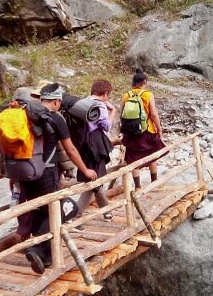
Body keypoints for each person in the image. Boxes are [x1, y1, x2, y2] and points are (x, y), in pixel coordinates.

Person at [20, 83, 98, 274]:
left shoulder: (25, 115)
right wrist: (85, 170)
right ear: (56, 101)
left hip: (25, 173)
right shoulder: (55, 118)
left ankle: (45, 258)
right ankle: (37, 248)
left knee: (40, 211)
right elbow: (70, 149)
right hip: (46, 173)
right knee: (67, 208)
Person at [76, 79, 115, 219]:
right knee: (94, 181)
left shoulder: (82, 103)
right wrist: (113, 111)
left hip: (82, 145)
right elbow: (106, 126)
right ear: (105, 94)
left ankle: (107, 212)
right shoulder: (100, 106)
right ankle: (76, 216)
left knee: (95, 178)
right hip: (96, 146)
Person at [121, 69, 164, 188]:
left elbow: (122, 115)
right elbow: (154, 114)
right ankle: (154, 182)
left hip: (131, 133)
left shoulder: (126, 95)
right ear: (144, 81)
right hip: (147, 130)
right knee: (152, 156)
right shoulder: (147, 94)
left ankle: (138, 187)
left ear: (133, 82)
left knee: (133, 160)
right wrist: (159, 129)